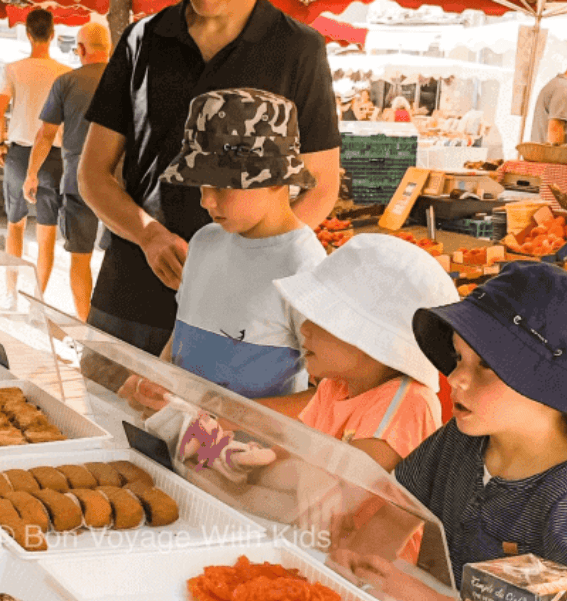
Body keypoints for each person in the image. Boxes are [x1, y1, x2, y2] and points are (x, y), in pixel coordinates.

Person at [78, 0, 340, 356]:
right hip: (132, 290)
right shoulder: (141, 37)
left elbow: (321, 186)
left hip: (241, 315)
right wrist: (148, 235)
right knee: (109, 390)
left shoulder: (299, 47)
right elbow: (92, 172)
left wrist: (251, 263)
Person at [386, 262, 567, 601]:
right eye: (458, 357)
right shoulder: (460, 438)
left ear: (551, 386)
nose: (454, 378)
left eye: (486, 364)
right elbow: (393, 510)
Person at [122, 88, 326, 403]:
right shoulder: (204, 241)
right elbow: (184, 330)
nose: (206, 200)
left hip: (250, 436)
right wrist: (157, 378)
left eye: (222, 185)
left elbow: (329, 396)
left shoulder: (304, 266)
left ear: (275, 178)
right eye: (202, 183)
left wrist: (230, 417)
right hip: (180, 427)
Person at [269, 234, 459, 471]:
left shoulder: (406, 405)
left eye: (324, 319)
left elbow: (340, 491)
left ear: (374, 342)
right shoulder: (334, 387)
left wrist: (266, 470)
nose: (305, 328)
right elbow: (288, 455)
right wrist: (252, 463)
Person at [22, 23, 111, 321]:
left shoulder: (66, 82)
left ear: (81, 49)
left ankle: (87, 329)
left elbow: (45, 135)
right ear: (109, 49)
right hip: (121, 183)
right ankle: (114, 330)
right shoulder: (128, 80)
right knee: (118, 260)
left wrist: (31, 173)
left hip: (79, 181)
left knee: (80, 259)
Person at [0, 9, 69, 293]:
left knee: (15, 225)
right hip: (53, 156)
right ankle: (39, 297)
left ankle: (11, 292)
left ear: (27, 34)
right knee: (47, 233)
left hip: (19, 155)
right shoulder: (65, 73)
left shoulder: (12, 69)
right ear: (53, 34)